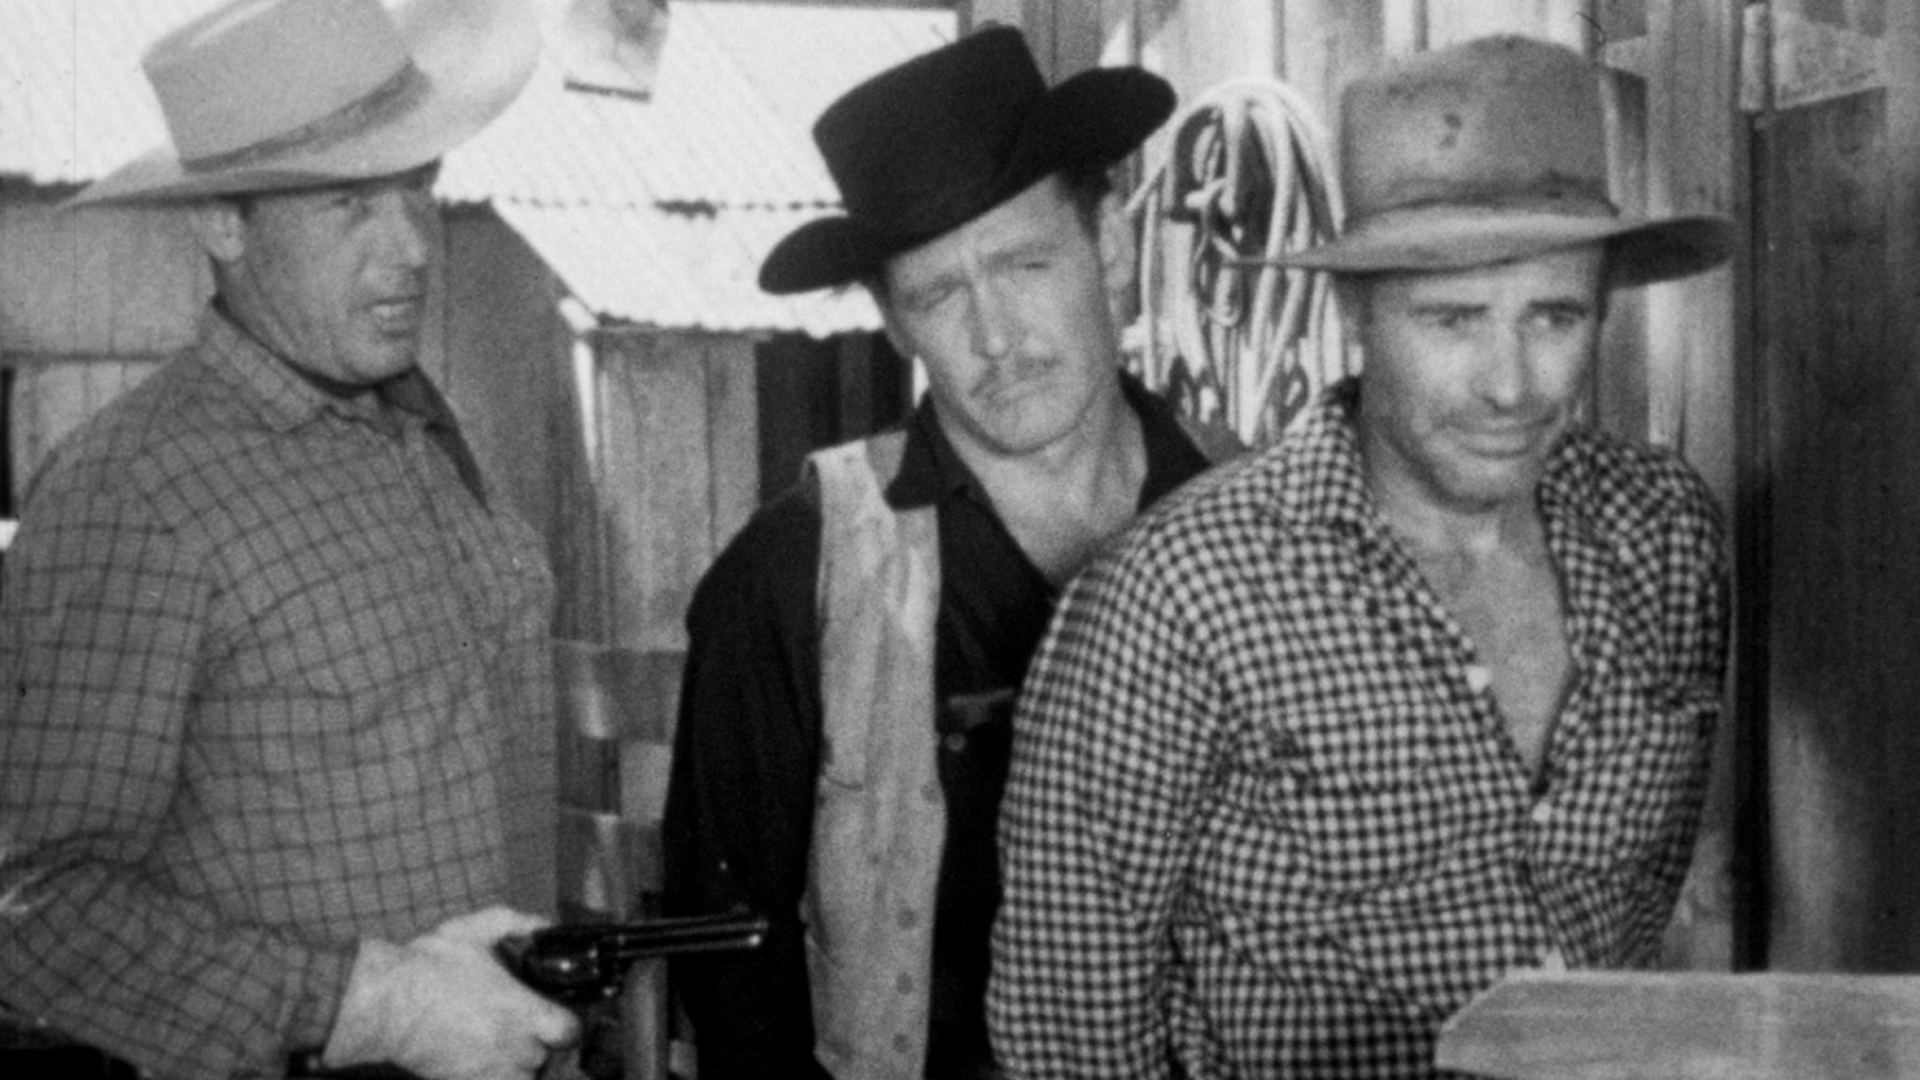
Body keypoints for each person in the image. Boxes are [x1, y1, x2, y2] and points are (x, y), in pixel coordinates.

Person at [989, 34, 1735, 1080]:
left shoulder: (1665, 536)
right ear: (1355, 313)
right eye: (1452, 320)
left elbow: (1633, 906)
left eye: (1554, 316)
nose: (1510, 384)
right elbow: (1070, 1039)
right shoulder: (1173, 600)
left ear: (1603, 310)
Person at [0, 2, 580, 1078]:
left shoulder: (417, 431)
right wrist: (372, 1007)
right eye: (349, 203)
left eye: (419, 185)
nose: (411, 246)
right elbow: (34, 908)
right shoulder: (134, 494)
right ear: (223, 223)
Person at [661, 26, 1234, 1080]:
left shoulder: (1260, 519)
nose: (997, 336)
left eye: (1024, 263)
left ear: (1110, 250)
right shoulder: (793, 575)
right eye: (938, 294)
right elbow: (733, 973)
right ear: (895, 324)